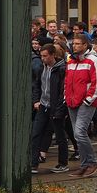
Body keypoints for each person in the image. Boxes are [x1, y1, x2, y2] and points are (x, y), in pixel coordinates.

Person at [64, 34, 97, 178]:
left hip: (86, 102)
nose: (74, 46)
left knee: (80, 133)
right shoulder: (71, 61)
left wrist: (88, 100)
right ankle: (85, 164)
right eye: (73, 43)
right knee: (77, 135)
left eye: (77, 44)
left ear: (85, 45)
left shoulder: (93, 60)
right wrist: (65, 96)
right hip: (71, 101)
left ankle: (92, 162)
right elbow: (67, 80)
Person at [30, 43, 70, 174]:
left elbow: (62, 91)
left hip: (55, 107)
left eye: (45, 56)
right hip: (43, 105)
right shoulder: (42, 68)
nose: (43, 58)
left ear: (53, 55)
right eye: (41, 56)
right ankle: (33, 163)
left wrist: (60, 109)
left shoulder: (61, 69)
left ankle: (63, 163)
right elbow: (37, 85)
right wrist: (36, 100)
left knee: (59, 136)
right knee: (35, 133)